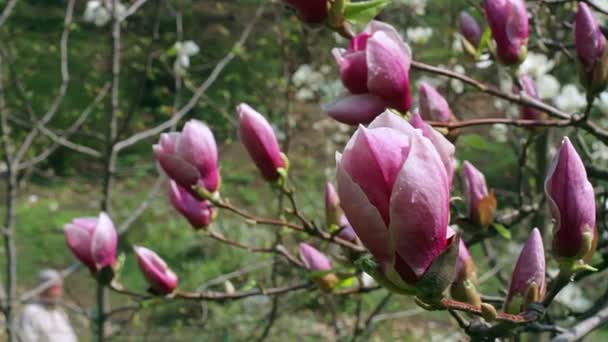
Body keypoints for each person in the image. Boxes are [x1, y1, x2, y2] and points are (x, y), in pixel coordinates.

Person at [17, 269, 77, 342]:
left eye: (59, 288)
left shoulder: (60, 314)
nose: (57, 293)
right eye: (53, 289)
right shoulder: (30, 312)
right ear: (42, 289)